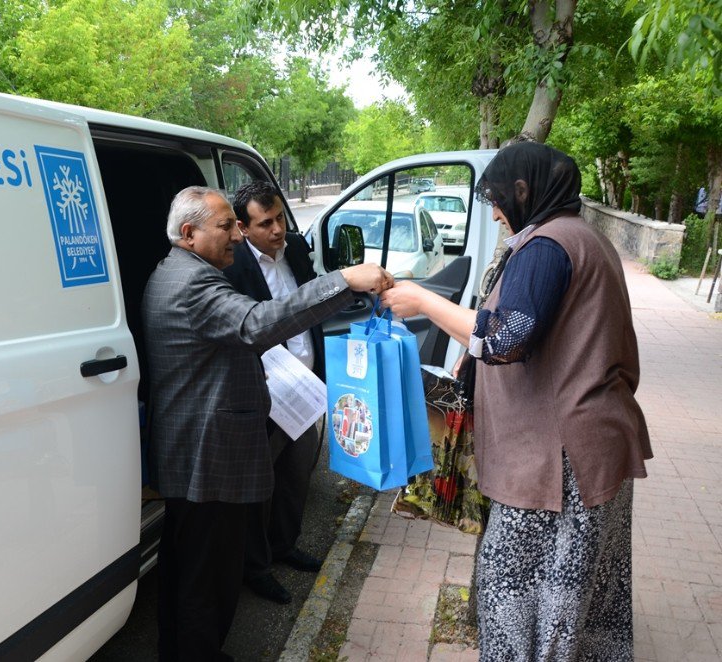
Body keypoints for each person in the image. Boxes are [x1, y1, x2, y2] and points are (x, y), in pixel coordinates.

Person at [382, 141, 653, 661]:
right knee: (582, 585)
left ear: (524, 191)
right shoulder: (580, 237)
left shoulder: (548, 246)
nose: (495, 210)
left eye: (498, 198)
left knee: (521, 583)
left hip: (559, 461)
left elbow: (507, 337)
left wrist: (420, 300)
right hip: (591, 444)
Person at [143, 186, 392, 661]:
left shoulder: (172, 271)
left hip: (191, 449)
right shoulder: (196, 284)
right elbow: (258, 322)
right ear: (190, 233)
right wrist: (344, 280)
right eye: (227, 225)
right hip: (208, 458)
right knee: (208, 576)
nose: (238, 233)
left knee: (186, 568)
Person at [221, 181, 326, 606]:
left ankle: (285, 545)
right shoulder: (233, 267)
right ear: (244, 229)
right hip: (265, 395)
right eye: (266, 223)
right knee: (260, 489)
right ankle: (256, 568)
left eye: (280, 217)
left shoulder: (297, 250)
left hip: (304, 388)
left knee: (297, 474)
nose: (279, 229)